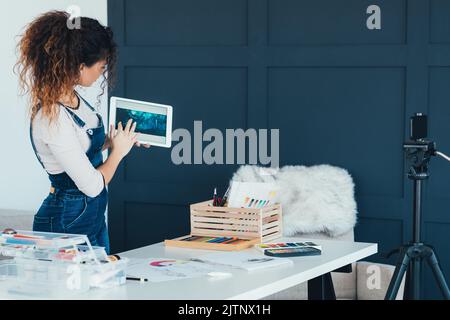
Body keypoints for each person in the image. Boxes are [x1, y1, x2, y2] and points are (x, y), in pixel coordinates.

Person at [16, 11, 148, 254]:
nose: (102, 72)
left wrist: (117, 141)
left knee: (100, 288)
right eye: (100, 66)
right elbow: (92, 185)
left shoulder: (72, 98)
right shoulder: (51, 118)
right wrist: (118, 154)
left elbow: (81, 147)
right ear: (79, 67)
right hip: (66, 220)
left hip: (92, 216)